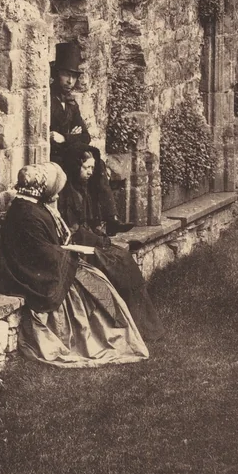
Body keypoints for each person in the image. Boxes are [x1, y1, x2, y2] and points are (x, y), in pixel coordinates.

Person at [0, 163, 149, 367]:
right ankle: (102, 336)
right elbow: (38, 252)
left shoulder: (31, 206)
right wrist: (71, 255)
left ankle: (121, 328)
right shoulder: (27, 212)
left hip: (44, 264)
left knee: (97, 278)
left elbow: (46, 245)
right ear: (40, 187)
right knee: (90, 283)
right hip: (32, 272)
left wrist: (70, 252)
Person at [59, 146, 164, 341]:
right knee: (119, 262)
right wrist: (99, 240)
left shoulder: (84, 189)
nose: (90, 172)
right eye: (86, 168)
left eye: (92, 168)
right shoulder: (67, 193)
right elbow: (73, 231)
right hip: (78, 249)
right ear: (76, 167)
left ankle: (144, 325)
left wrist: (99, 236)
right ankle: (136, 325)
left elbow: (88, 224)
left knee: (124, 260)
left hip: (90, 242)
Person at [50, 40, 90, 166]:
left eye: (74, 76)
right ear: (57, 74)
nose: (70, 81)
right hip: (54, 159)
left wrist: (65, 138)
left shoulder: (71, 103)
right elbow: (50, 138)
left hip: (69, 155)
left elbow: (85, 137)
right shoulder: (48, 100)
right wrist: (72, 137)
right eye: (66, 75)